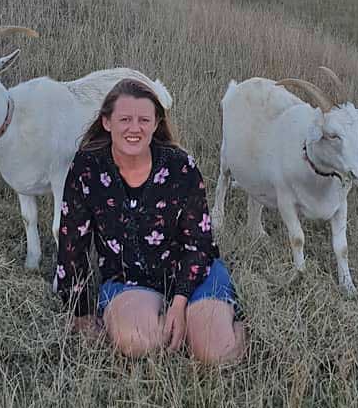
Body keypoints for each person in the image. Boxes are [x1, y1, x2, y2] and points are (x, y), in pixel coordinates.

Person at [55, 78, 245, 363]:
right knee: (136, 342)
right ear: (107, 122)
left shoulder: (181, 166)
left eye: (144, 119)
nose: (135, 128)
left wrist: (180, 301)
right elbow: (72, 244)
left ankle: (227, 323)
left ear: (156, 124)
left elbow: (199, 241)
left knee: (215, 354)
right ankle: (160, 318)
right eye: (125, 119)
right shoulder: (87, 168)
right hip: (128, 279)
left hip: (192, 272)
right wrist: (80, 312)